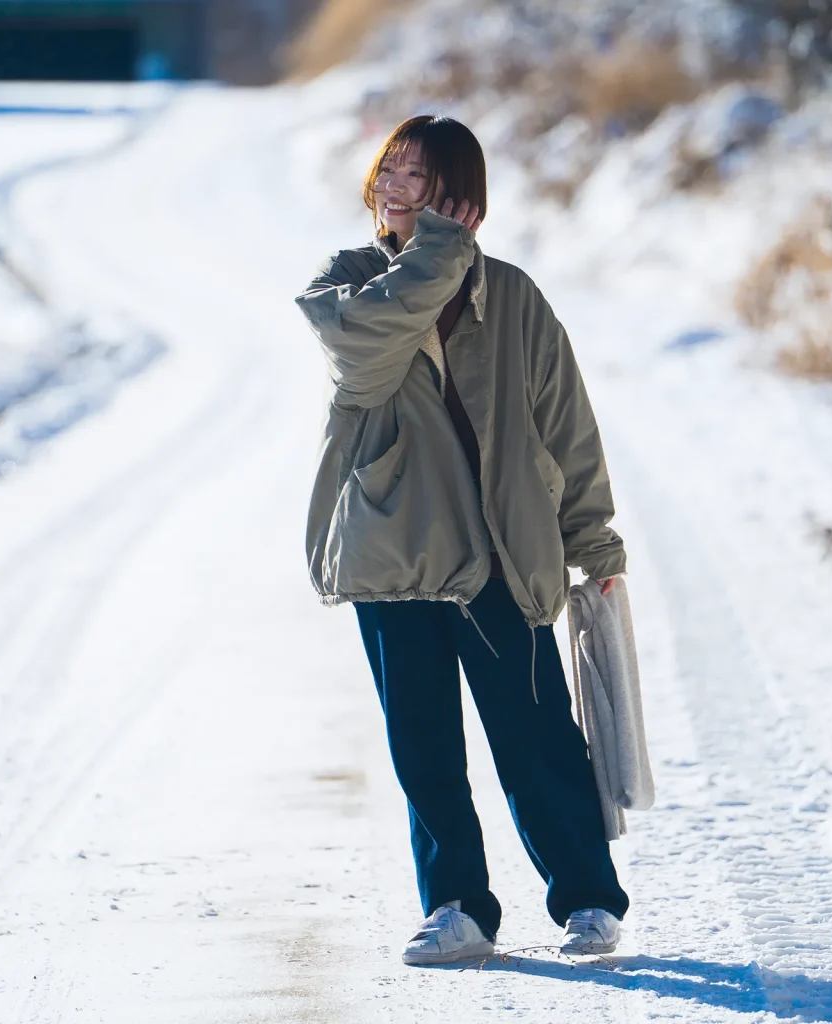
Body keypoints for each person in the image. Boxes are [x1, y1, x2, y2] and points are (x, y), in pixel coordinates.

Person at [294, 115, 629, 966]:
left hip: (500, 554)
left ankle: (587, 901)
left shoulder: (512, 297)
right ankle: (458, 907)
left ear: (460, 199)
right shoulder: (348, 288)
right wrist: (437, 252)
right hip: (391, 552)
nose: (393, 184)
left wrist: (597, 544)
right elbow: (366, 355)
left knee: (538, 738)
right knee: (424, 748)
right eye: (388, 170)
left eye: (418, 175)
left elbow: (568, 427)